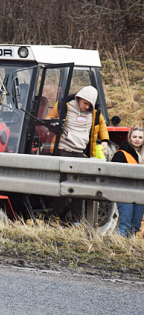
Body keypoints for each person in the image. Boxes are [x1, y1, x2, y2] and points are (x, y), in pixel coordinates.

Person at [46, 86, 110, 223]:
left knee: (79, 187)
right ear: (79, 98)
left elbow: (102, 126)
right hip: (64, 149)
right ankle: (55, 217)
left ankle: (76, 220)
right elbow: (48, 119)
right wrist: (56, 125)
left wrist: (105, 141)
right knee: (64, 184)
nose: (87, 107)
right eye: (85, 103)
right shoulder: (64, 106)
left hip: (80, 152)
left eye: (90, 105)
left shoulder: (95, 112)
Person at [112, 126, 144, 237]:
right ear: (129, 138)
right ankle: (119, 247)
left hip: (140, 192)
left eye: (140, 137)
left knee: (135, 225)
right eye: (134, 137)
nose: (137, 139)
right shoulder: (121, 154)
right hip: (124, 192)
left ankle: (129, 248)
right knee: (124, 224)